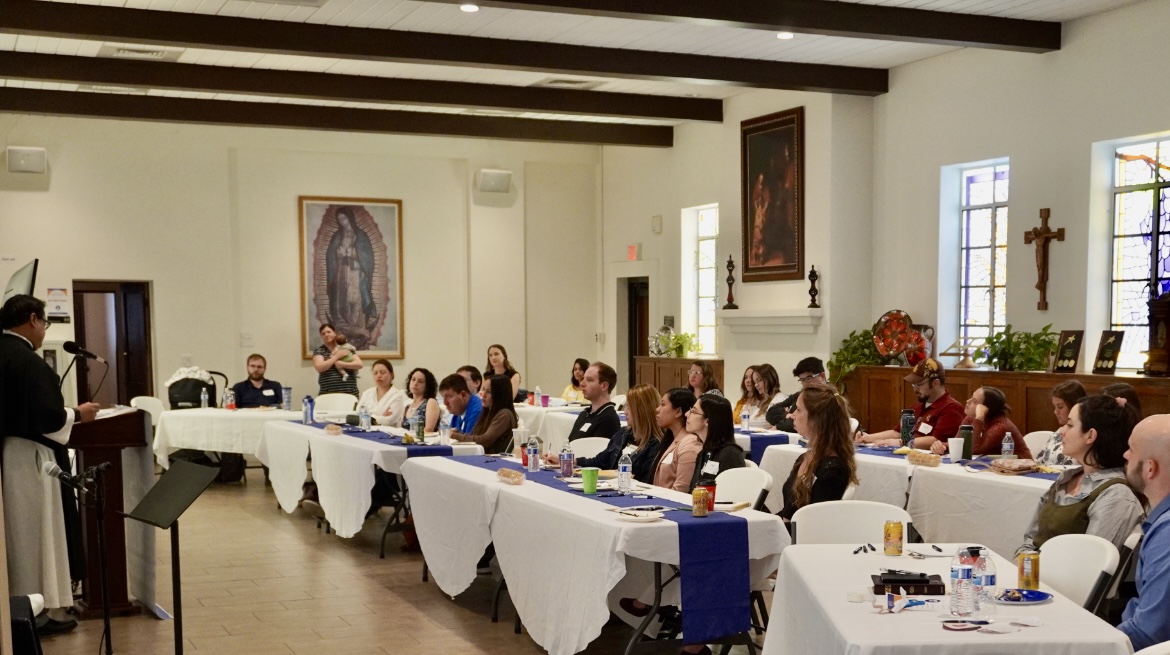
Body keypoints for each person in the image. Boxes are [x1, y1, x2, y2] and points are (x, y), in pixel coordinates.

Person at [1, 295, 100, 635]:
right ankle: (33, 612)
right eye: (44, 322)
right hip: (30, 458)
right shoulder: (28, 361)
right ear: (32, 319)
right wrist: (78, 414)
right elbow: (47, 418)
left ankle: (15, 607)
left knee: (16, 536)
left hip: (8, 455)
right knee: (34, 535)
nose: (44, 330)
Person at [1016, 395, 1143, 555]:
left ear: (1090, 436)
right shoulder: (1066, 478)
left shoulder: (1116, 495)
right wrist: (1024, 565)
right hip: (1036, 569)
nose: (1062, 431)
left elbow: (1091, 561)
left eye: (1070, 425)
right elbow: (1031, 541)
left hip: (1062, 571)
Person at [1118, 414, 1170, 651]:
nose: (1125, 455)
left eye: (1131, 449)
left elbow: (1148, 633)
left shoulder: (1167, 534)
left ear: (1150, 468)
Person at [777, 382, 858, 523]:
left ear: (816, 419)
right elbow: (788, 510)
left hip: (803, 533)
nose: (792, 415)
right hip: (789, 528)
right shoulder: (805, 457)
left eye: (798, 410)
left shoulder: (833, 469)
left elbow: (816, 522)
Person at [548, 384, 662, 483]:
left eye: (630, 408)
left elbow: (646, 481)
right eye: (626, 406)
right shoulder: (623, 434)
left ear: (642, 411)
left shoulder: (656, 445)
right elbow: (600, 461)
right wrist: (570, 461)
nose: (625, 412)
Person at [855, 358, 964, 450]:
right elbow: (898, 432)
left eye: (919, 384)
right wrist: (868, 438)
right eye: (913, 385)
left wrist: (900, 442)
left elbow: (936, 440)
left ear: (936, 383)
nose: (915, 389)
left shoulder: (952, 408)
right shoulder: (917, 406)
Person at [929, 386, 1033, 458]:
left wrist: (979, 418)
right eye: (971, 397)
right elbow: (960, 443)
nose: (967, 401)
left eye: (974, 401)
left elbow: (974, 450)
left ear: (985, 408)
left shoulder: (1001, 426)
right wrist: (942, 446)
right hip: (994, 469)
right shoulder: (970, 418)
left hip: (1022, 472)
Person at [325, 206, 377, 349]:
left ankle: (358, 327)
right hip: (341, 272)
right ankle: (344, 327)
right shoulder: (337, 236)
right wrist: (339, 253)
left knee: (355, 298)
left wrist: (352, 253)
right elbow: (330, 256)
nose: (342, 221)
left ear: (350, 218)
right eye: (340, 219)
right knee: (342, 299)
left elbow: (367, 258)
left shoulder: (361, 236)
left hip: (356, 272)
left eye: (344, 218)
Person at [687, 394, 746, 491]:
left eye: (693, 411)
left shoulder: (730, 455)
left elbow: (731, 495)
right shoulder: (703, 453)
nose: (686, 414)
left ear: (707, 421)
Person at [651, 388, 700, 492]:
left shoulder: (689, 446)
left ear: (678, 412)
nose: (657, 409)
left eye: (663, 405)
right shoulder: (671, 439)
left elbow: (681, 490)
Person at [455, 376, 517, 454]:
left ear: (500, 394)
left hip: (492, 458)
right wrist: (459, 433)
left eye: (489, 392)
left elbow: (484, 441)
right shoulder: (487, 411)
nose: (483, 395)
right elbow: (475, 435)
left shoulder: (504, 415)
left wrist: (456, 436)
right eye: (483, 389)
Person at [766, 357, 826, 432]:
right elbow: (770, 413)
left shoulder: (829, 398)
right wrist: (787, 415)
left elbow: (806, 423)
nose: (805, 384)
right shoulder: (799, 395)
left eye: (809, 378)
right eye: (802, 380)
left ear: (822, 376)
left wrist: (778, 426)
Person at [1035, 380, 1087, 466]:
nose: (1055, 412)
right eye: (1055, 407)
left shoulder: (1082, 436)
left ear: (1074, 406)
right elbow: (1039, 461)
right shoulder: (1058, 432)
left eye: (1060, 407)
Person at [567, 362, 622, 442]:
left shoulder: (608, 419)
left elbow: (596, 450)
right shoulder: (584, 414)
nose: (582, 384)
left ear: (604, 386)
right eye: (583, 379)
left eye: (589, 380)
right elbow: (570, 445)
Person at [312, 323, 362, 397]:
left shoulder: (346, 347)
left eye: (329, 332)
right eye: (323, 334)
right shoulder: (319, 350)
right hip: (327, 395)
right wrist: (337, 356)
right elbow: (320, 368)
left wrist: (342, 364)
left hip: (350, 393)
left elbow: (359, 364)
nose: (326, 335)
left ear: (334, 333)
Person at [356, 359, 407, 427]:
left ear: (391, 375)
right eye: (375, 373)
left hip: (388, 432)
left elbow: (388, 421)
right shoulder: (367, 393)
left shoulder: (397, 396)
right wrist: (380, 416)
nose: (379, 376)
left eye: (382, 372)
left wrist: (369, 416)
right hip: (365, 429)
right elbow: (357, 414)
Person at [745, 363, 785, 429]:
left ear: (770, 380)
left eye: (759, 380)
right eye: (754, 382)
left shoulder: (779, 399)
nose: (756, 385)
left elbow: (781, 425)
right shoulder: (760, 401)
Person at [403, 368, 441, 433]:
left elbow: (429, 430)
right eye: (413, 379)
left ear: (427, 386)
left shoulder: (431, 402)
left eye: (420, 381)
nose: (415, 383)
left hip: (424, 438)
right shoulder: (407, 407)